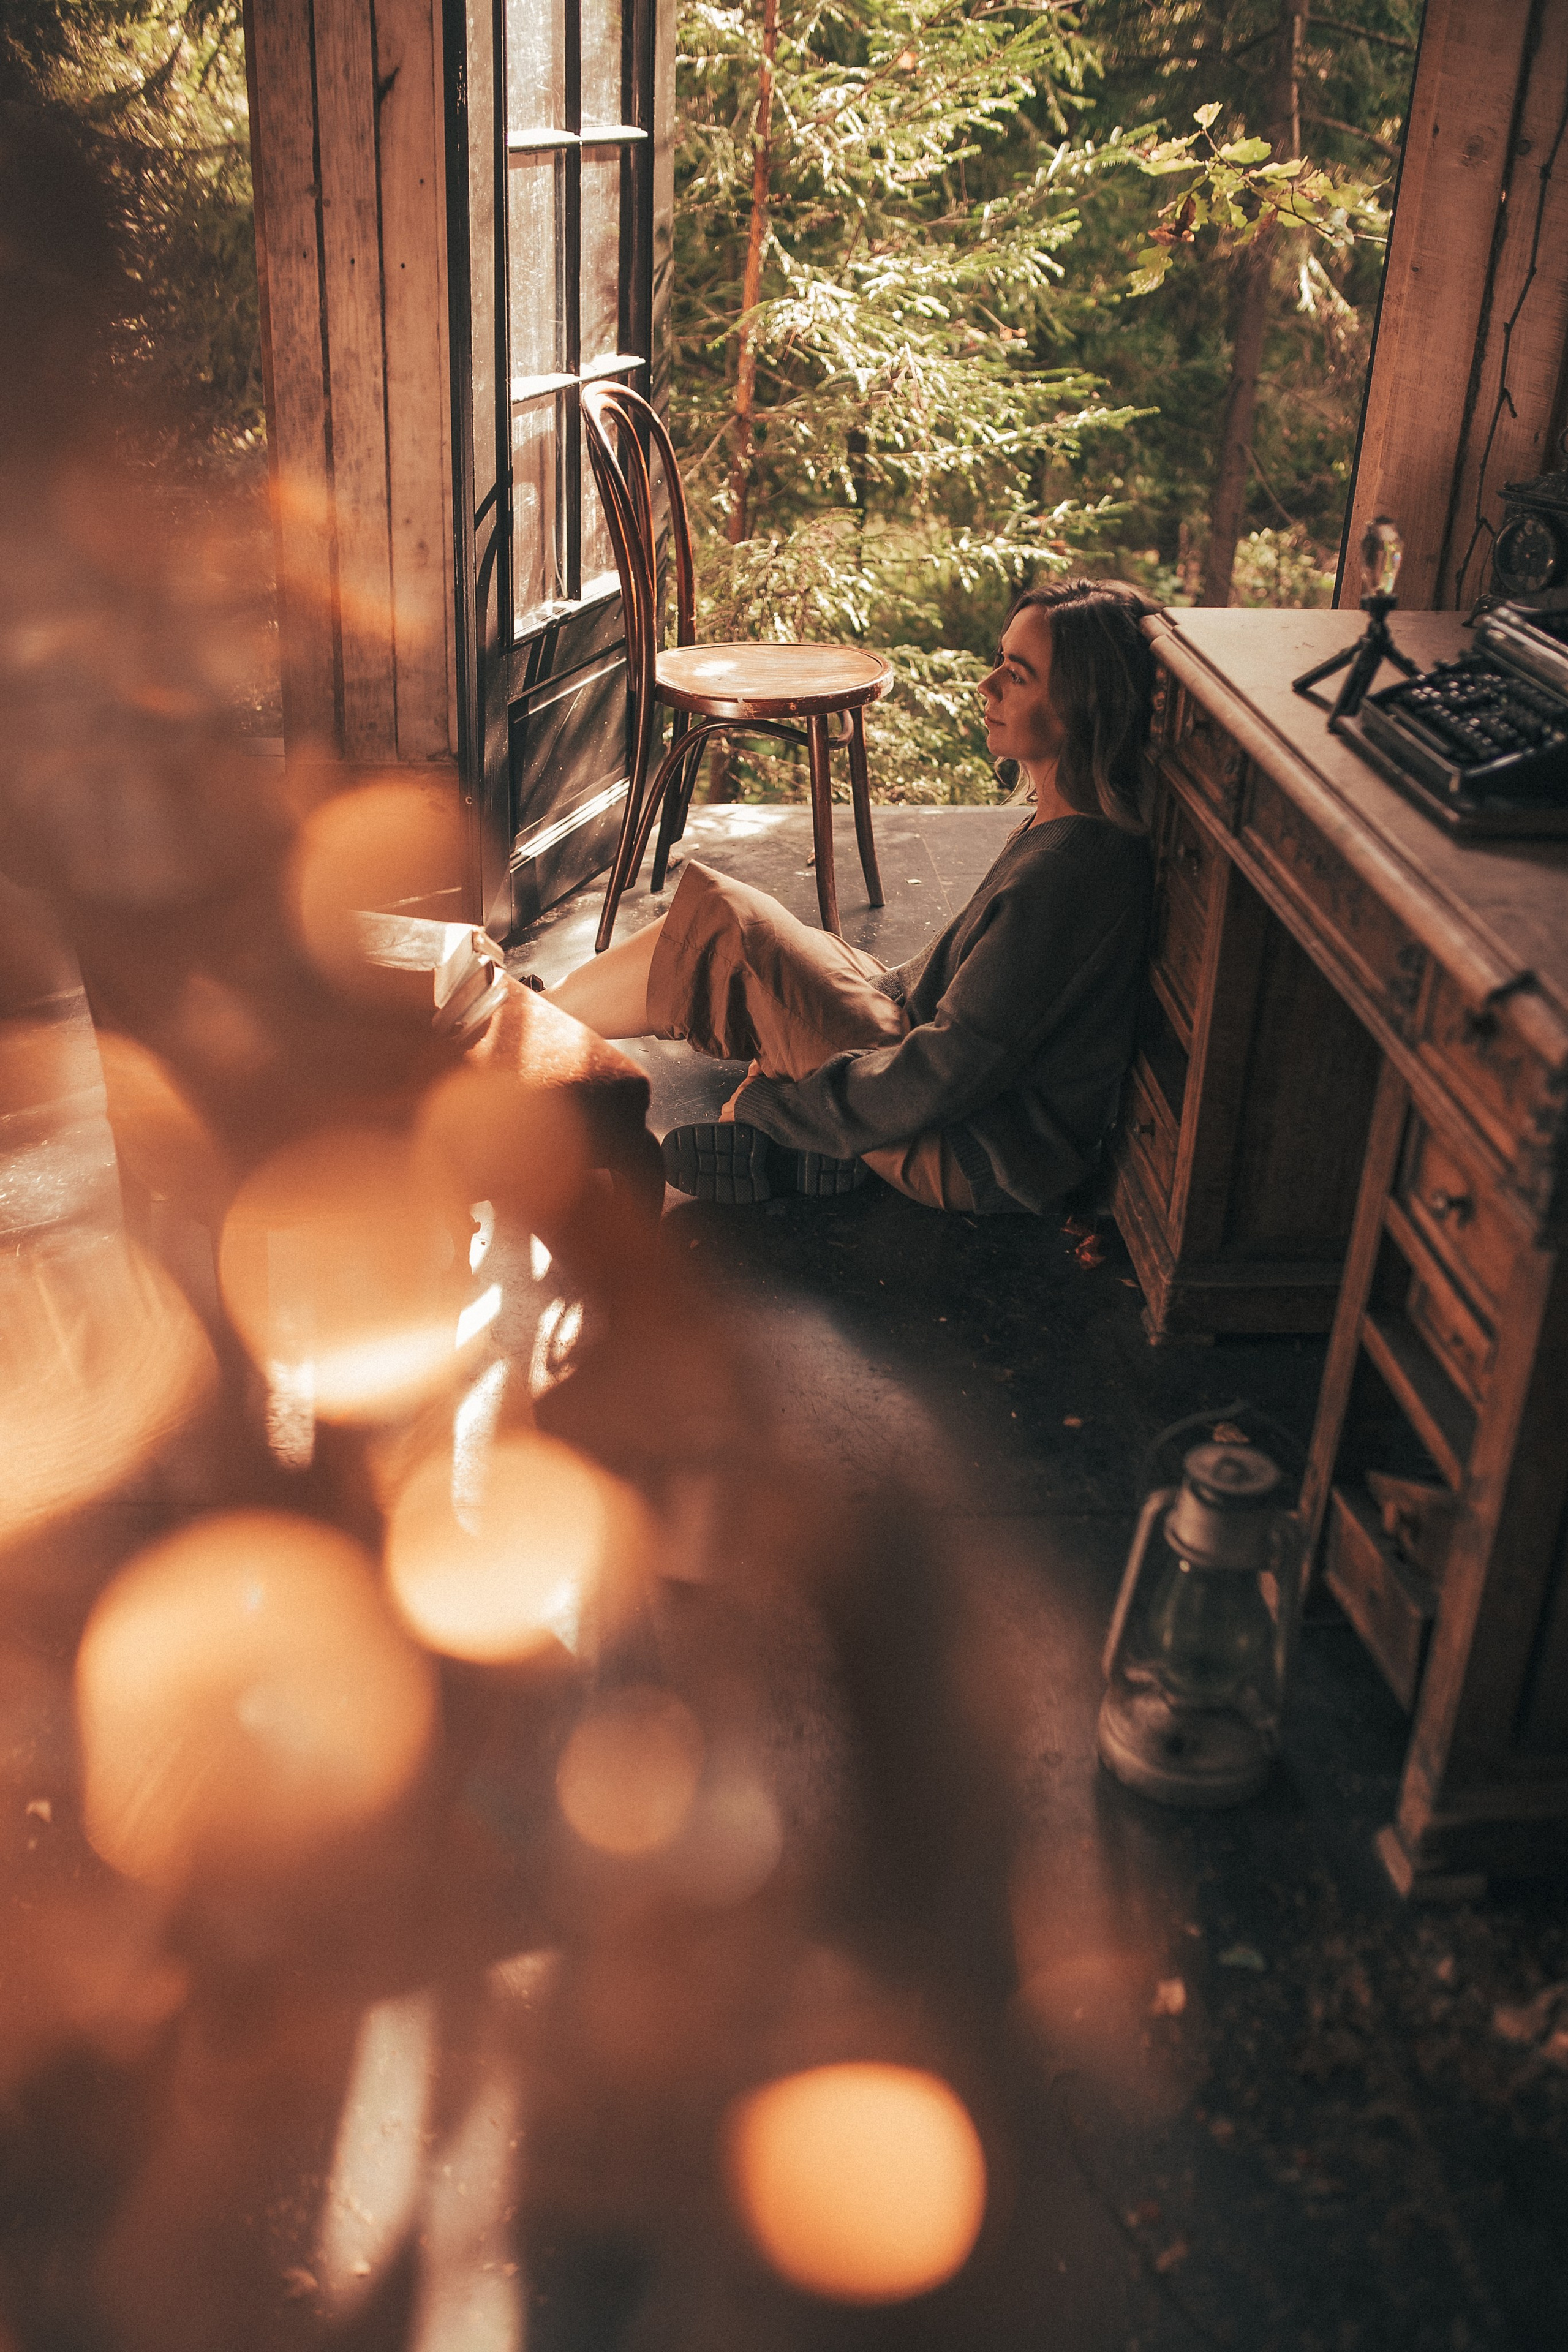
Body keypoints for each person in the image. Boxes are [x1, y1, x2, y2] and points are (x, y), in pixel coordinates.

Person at [546, 578, 1157, 1215]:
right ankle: (542, 1018)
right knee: (788, 941)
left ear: (1083, 706)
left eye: (1019, 674)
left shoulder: (1069, 873)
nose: (988, 685)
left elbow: (947, 1068)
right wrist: (826, 991)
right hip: (955, 1101)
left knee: (727, 928)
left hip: (971, 1152)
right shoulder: (1062, 829)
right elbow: (942, 991)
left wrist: (779, 1107)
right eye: (1000, 660)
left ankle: (519, 1033)